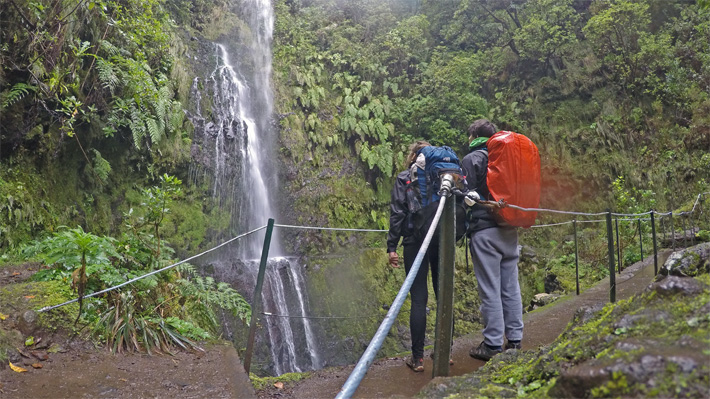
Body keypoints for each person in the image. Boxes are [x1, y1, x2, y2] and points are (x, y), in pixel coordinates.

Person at [462, 119, 524, 361]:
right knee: (510, 287)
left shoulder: (473, 159)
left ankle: (492, 344)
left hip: (485, 232)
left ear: (475, 136)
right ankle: (515, 339)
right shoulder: (507, 158)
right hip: (509, 227)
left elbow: (467, 197)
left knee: (490, 289)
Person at [387, 140, 441, 372]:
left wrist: (392, 246)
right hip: (440, 239)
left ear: (412, 156)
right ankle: (443, 352)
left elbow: (398, 212)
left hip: (414, 240)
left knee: (419, 299)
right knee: (443, 294)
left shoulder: (404, 178)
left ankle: (417, 359)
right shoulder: (441, 176)